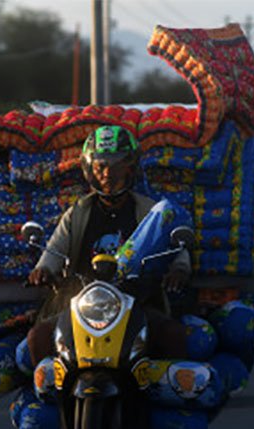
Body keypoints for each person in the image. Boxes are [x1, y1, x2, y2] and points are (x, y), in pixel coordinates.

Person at [26, 125, 191, 367]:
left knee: (174, 336)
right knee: (37, 338)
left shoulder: (149, 211)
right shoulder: (78, 212)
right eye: (100, 166)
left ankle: (168, 399)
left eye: (116, 166)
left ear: (131, 168)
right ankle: (52, 399)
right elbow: (54, 251)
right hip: (82, 304)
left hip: (136, 300)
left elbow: (175, 246)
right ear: (89, 169)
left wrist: (180, 269)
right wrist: (43, 270)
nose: (107, 173)